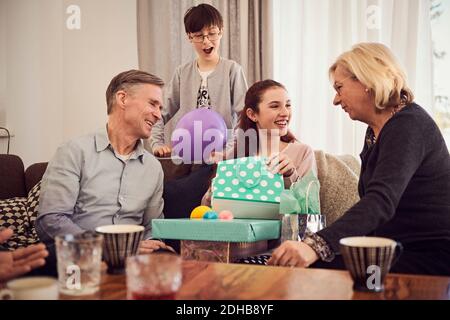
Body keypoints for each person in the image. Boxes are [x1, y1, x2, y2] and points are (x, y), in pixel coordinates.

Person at [268, 43, 450, 276]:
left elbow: (380, 201)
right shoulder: (376, 132)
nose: (335, 99)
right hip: (393, 250)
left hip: (429, 257)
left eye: (340, 87)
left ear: (367, 81)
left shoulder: (408, 125)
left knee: (309, 269)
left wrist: (315, 246)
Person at [36, 70, 174, 257]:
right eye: (153, 104)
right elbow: (51, 221)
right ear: (122, 99)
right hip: (82, 256)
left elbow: (152, 227)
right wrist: (110, 248)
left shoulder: (153, 168)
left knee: (169, 259)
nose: (158, 115)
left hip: (135, 260)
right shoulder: (74, 151)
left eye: (160, 108)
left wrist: (154, 246)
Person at [150, 3, 248, 157]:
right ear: (190, 36)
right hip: (188, 156)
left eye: (212, 33)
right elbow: (159, 112)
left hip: (223, 157)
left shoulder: (232, 70)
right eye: (199, 35)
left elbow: (244, 117)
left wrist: (227, 152)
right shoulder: (182, 73)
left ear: (221, 32)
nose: (206, 41)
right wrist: (157, 143)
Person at [202, 79, 317, 206]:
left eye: (288, 105)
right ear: (252, 114)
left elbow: (308, 204)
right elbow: (206, 208)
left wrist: (290, 175)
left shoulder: (303, 152)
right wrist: (213, 192)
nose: (285, 113)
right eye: (274, 106)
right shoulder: (234, 156)